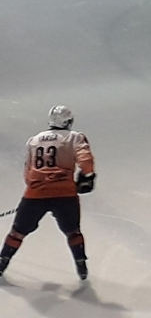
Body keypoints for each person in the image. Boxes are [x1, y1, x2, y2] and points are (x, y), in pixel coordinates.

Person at [0, 106, 95, 281]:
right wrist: (87, 176)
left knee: (17, 233)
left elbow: (28, 171)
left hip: (35, 194)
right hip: (65, 194)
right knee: (73, 232)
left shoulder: (34, 140)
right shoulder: (74, 137)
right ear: (68, 122)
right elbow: (86, 162)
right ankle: (81, 263)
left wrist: (35, 190)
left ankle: (2, 262)